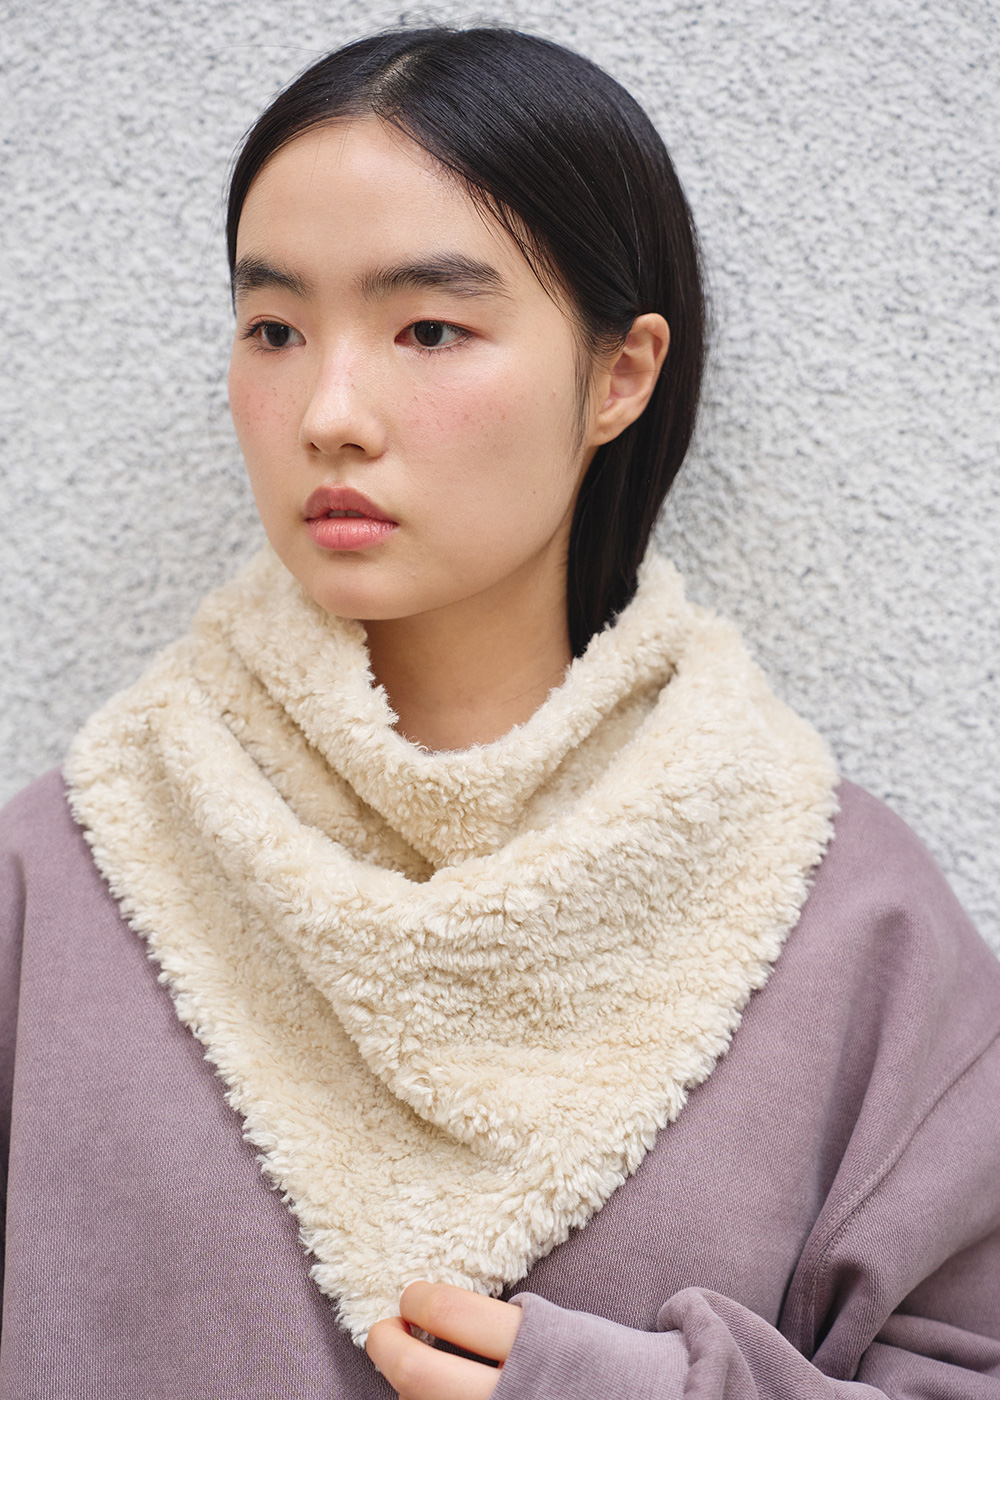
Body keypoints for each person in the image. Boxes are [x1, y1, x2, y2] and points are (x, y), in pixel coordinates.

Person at [1, 25, 998, 1402]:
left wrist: (628, 1416)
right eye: (275, 328)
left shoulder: (846, 920)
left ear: (620, 375)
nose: (330, 412)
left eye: (429, 329)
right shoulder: (59, 881)